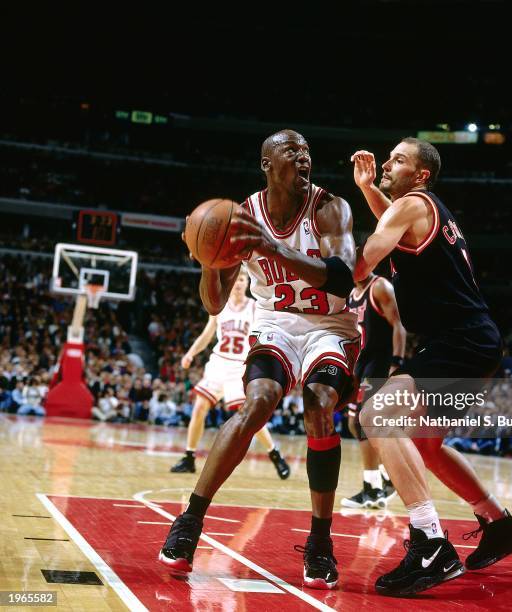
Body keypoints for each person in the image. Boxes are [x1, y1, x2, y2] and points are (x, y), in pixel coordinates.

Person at [159, 129, 360, 590]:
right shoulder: (241, 216)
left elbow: (342, 279)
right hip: (274, 323)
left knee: (319, 404)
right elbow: (212, 304)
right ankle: (190, 521)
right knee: (258, 401)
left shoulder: (331, 208)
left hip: (331, 326)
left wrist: (272, 249)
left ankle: (320, 540)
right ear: (267, 164)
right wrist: (212, 258)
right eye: (292, 152)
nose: (303, 158)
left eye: (307, 151)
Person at [351, 139, 512, 596]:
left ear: (421, 174)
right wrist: (370, 190)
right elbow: (390, 224)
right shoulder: (420, 208)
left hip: (461, 342)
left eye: (398, 160)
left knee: (377, 415)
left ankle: (430, 542)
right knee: (426, 445)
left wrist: (308, 263)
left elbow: (363, 261)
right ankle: (499, 523)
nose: (387, 162)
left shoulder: (412, 203)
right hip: (475, 341)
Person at [170, 269, 290, 479]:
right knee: (199, 407)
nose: (238, 283)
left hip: (240, 366)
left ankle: (274, 453)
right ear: (230, 282)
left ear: (247, 282)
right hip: (218, 363)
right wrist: (190, 353)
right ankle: (189, 457)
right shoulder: (220, 307)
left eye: (242, 279)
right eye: (235, 279)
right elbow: (207, 334)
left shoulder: (254, 307)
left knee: (249, 414)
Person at [341, 272, 406, 509]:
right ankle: (384, 479)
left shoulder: (379, 287)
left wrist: (396, 363)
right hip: (360, 364)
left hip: (378, 363)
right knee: (352, 423)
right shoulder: (351, 293)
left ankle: (373, 488)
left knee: (364, 423)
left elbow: (399, 325)